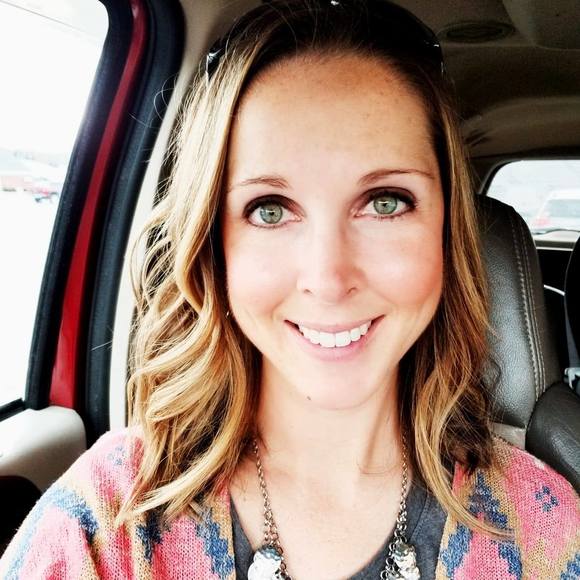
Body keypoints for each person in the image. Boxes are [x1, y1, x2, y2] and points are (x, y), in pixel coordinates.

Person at [1, 1, 579, 578]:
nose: (328, 280)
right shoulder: (104, 526)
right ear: (213, 246)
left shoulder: (541, 527)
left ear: (447, 233)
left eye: (385, 203)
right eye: (270, 210)